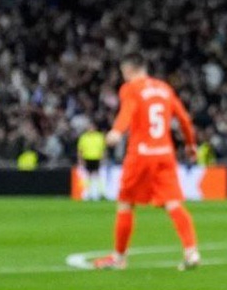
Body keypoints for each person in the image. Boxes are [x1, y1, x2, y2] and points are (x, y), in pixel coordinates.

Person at [92, 54, 201, 271]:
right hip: (165, 153)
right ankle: (191, 253)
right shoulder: (164, 88)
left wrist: (117, 131)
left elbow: (128, 110)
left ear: (128, 70)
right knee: (173, 203)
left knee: (125, 204)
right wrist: (190, 145)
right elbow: (184, 118)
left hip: (141, 154)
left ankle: (119, 258)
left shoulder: (131, 88)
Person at [77, 121, 107, 201]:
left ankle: (101, 193)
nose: (91, 129)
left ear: (95, 128)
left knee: (98, 175)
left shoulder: (99, 137)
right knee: (88, 176)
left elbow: (103, 149)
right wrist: (80, 159)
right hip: (87, 158)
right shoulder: (83, 137)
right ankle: (88, 193)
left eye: (92, 127)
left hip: (97, 158)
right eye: (89, 127)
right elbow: (80, 150)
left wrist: (103, 158)